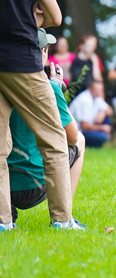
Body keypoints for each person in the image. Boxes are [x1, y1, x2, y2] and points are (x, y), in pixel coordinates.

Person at [0, 0, 81, 230]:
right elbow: (56, 16)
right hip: (22, 64)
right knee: (55, 141)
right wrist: (36, 20)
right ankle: (62, 220)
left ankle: (3, 221)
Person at [9, 29, 86, 223]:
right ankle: (64, 216)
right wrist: (57, 90)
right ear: (41, 53)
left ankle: (6, 214)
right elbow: (72, 137)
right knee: (81, 141)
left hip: (5, 184)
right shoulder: (49, 88)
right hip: (36, 184)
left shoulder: (4, 85)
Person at [69, 80, 113, 149]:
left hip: (89, 127)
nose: (99, 93)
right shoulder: (85, 100)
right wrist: (102, 128)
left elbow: (110, 111)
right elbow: (84, 126)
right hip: (79, 131)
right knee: (102, 137)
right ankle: (90, 145)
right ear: (90, 88)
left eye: (100, 90)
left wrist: (103, 113)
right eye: (97, 90)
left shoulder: (96, 98)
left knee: (107, 118)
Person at [68, 35, 104, 100]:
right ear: (81, 46)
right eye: (89, 45)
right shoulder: (74, 61)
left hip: (91, 93)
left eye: (93, 46)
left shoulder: (93, 60)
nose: (92, 48)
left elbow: (98, 79)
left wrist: (95, 62)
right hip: (77, 94)